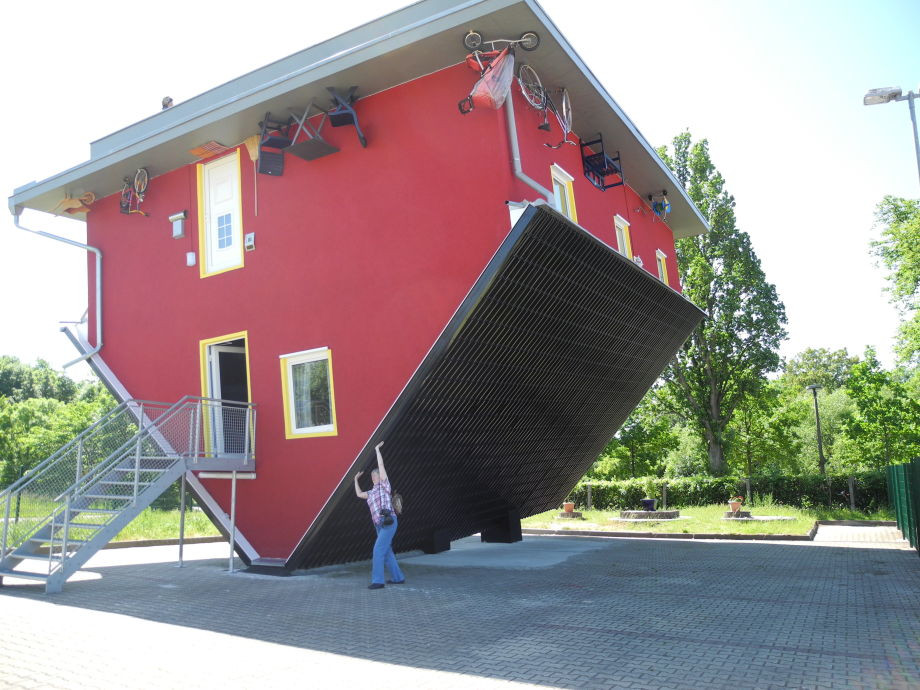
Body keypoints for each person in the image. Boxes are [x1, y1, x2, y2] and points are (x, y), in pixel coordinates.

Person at [354, 441, 405, 589]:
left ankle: (378, 581)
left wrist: (377, 450)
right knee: (386, 551)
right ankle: (398, 578)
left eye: (375, 474)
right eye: (372, 475)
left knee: (378, 550)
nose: (373, 476)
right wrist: (355, 480)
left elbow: (381, 466)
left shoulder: (384, 485)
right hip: (378, 525)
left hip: (388, 521)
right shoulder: (370, 493)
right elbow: (358, 494)